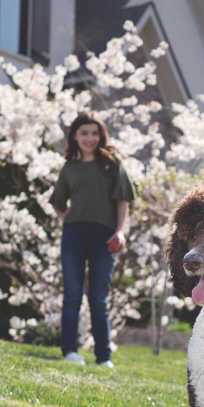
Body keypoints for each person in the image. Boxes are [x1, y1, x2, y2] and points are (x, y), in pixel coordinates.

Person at [48, 114, 134, 367]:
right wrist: (71, 219)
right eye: (84, 133)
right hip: (73, 235)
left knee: (99, 299)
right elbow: (57, 203)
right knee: (72, 296)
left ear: (101, 135)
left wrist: (119, 231)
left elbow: (123, 200)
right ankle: (69, 353)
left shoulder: (112, 163)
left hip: (104, 236)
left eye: (94, 133)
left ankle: (103, 358)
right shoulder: (69, 168)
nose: (90, 138)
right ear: (75, 135)